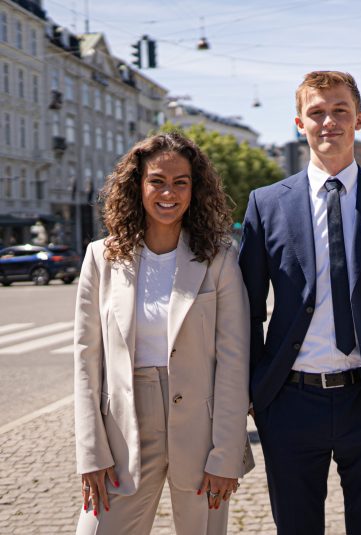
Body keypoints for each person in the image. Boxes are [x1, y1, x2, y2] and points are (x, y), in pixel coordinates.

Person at [238, 71, 361, 534]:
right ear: (298, 123)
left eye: (340, 110)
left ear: (359, 119)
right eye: (317, 112)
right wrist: (256, 390)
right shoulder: (266, 204)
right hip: (288, 402)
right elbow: (247, 308)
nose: (329, 121)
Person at [73, 132, 254, 535]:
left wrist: (225, 456)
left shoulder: (219, 258)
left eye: (180, 182)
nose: (168, 192)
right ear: (138, 186)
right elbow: (86, 361)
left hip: (201, 434)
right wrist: (91, 452)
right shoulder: (101, 258)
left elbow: (234, 361)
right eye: (157, 180)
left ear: (195, 189)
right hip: (123, 428)